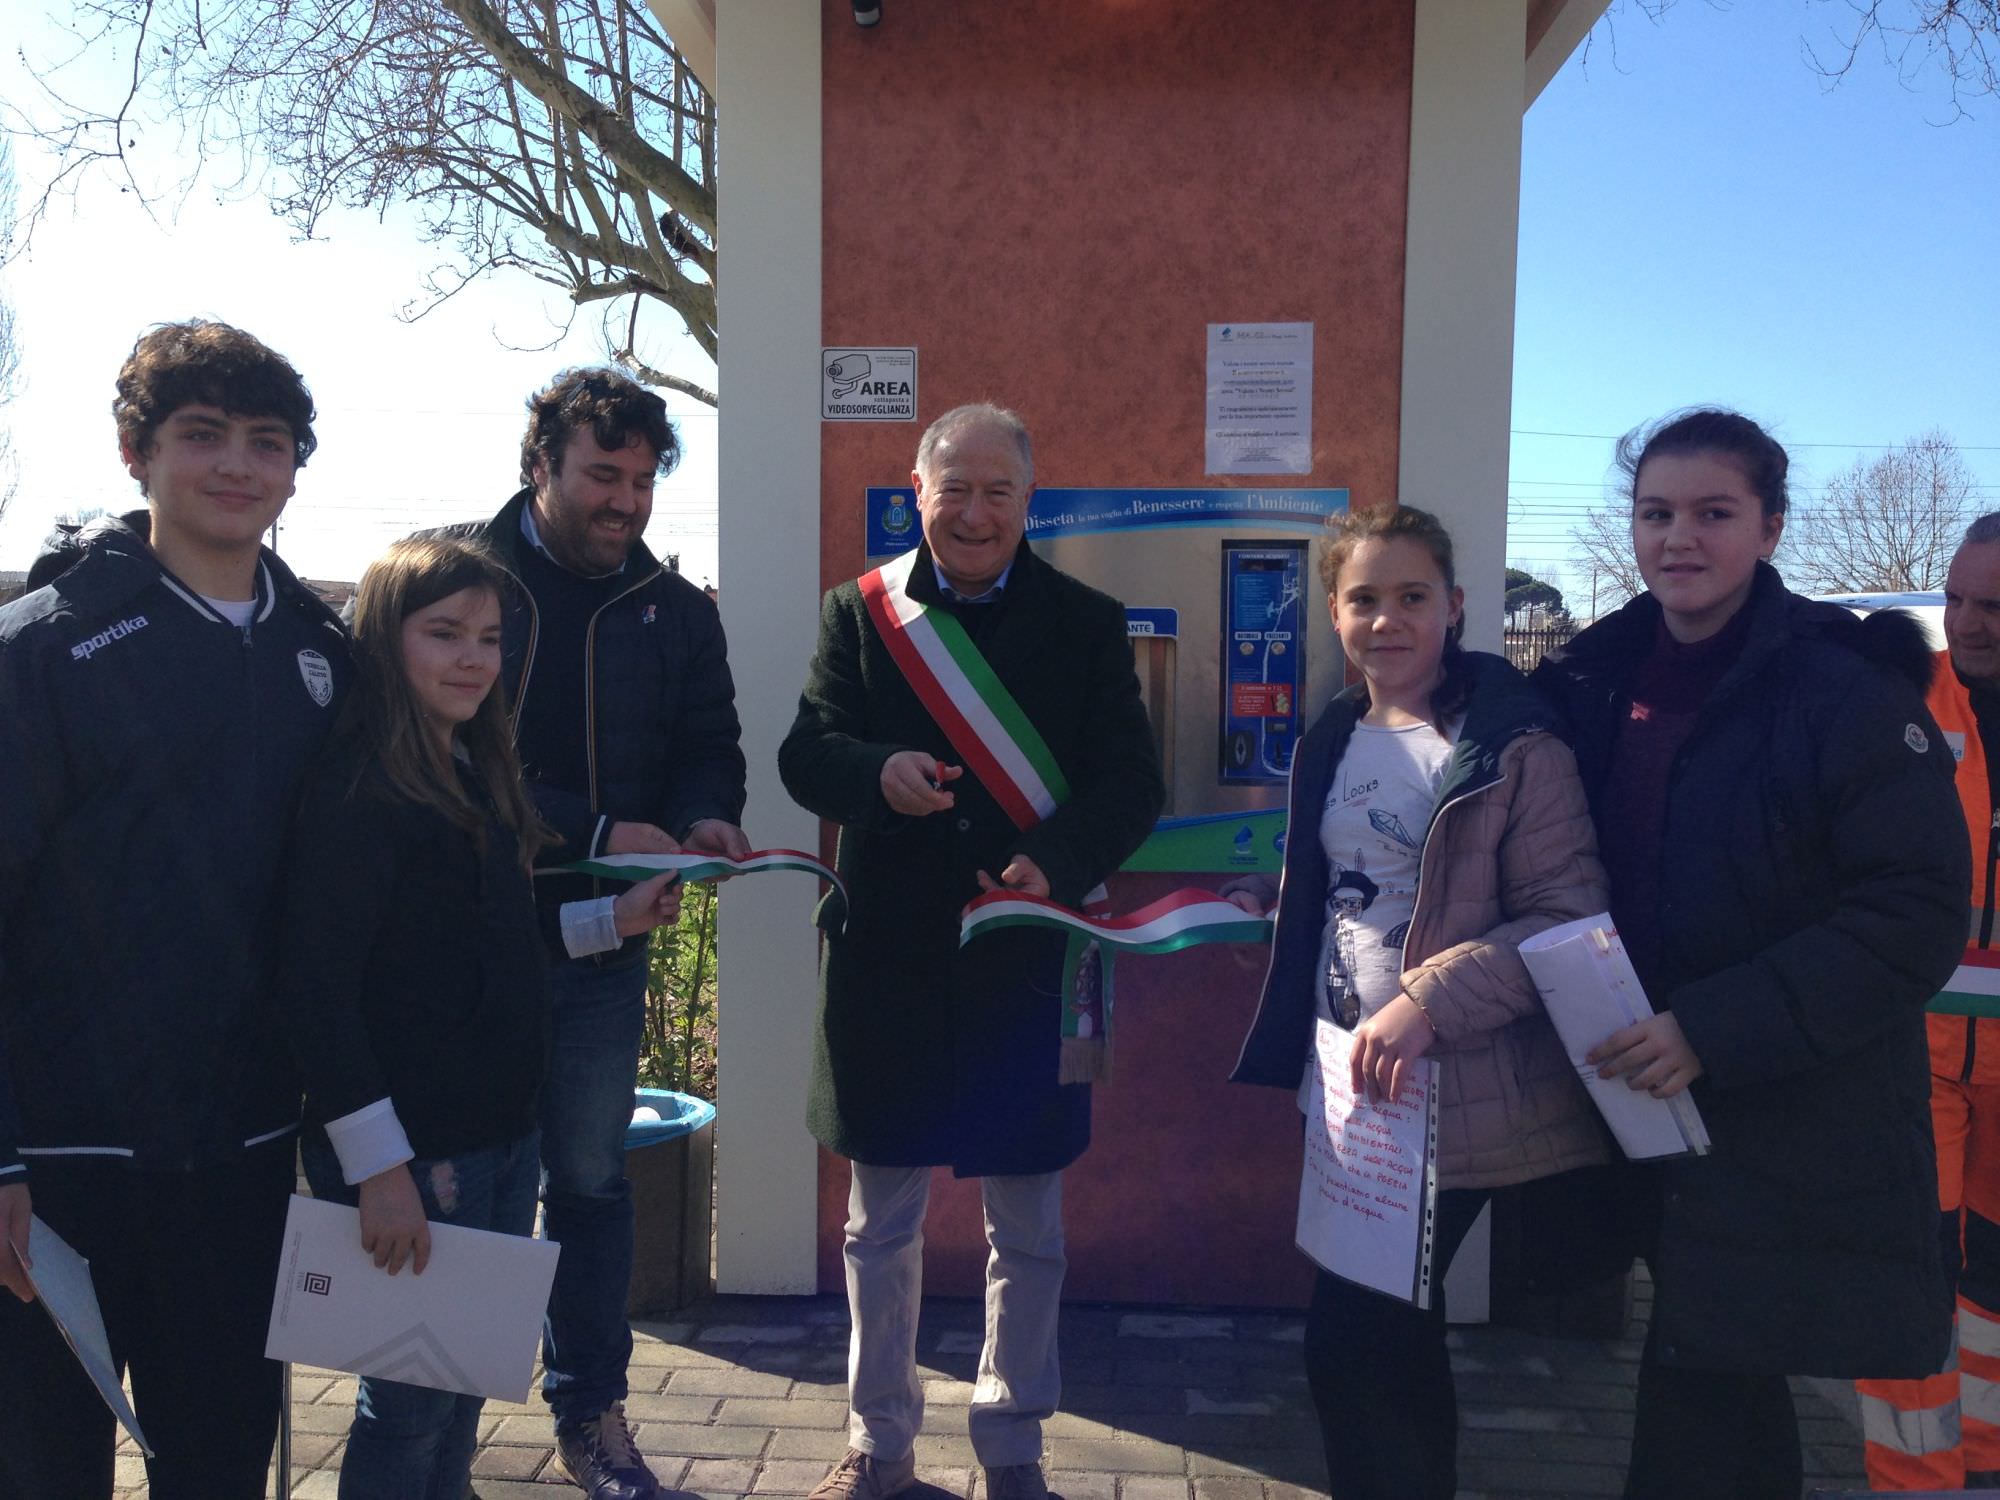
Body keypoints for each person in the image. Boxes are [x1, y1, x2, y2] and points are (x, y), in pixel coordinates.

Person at [1531, 408, 1969, 1499]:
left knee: (1710, 1378)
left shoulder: (1840, 693)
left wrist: (1712, 1031)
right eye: (1655, 513)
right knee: (1710, 1377)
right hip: (1622, 1085)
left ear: (1769, 529)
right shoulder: (1590, 681)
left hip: (1772, 1109)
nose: (1677, 538)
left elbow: (1912, 911)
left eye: (1711, 514)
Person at [778, 403, 1164, 1500]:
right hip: (887, 964)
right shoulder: (859, 615)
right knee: (877, 1227)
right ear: (918, 493)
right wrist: (873, 775)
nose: (976, 511)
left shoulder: (1086, 622)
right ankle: (880, 1444)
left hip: (1025, 958)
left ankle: (1012, 1447)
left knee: (1027, 1229)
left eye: (999, 491)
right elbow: (808, 752)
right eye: (956, 489)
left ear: (1028, 502)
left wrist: (1052, 857)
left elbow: (1129, 784)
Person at [0, 320, 350, 1499]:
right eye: (201, 435)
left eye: (268, 441)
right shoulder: (37, 657)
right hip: (57, 1170)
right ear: (133, 452)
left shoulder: (325, 659)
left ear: (297, 467)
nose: (238, 466)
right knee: (48, 1468)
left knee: (218, 1464)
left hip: (242, 1156)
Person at [280, 536, 681, 1500]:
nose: (472, 657)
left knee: (458, 1392)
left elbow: (492, 944)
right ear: (385, 639)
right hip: (417, 1158)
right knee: (410, 1404)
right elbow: (315, 992)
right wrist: (379, 1169)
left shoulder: (477, 769)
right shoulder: (359, 792)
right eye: (445, 633)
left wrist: (609, 922)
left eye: (491, 638)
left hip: (504, 1139)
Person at [1225, 504, 1610, 1500]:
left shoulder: (1513, 744)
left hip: (1454, 1094)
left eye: (1410, 598)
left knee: (1356, 1344)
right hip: (1354, 1091)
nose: (1385, 621)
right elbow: (1353, 888)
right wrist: (1271, 907)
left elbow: (1565, 917)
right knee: (1383, 1345)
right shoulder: (1334, 732)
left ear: (1456, 607)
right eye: (1362, 600)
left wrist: (1425, 1004)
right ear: (1332, 613)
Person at [438, 367, 747, 1499]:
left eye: (641, 479)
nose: (623, 501)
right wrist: (605, 823)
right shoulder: (455, 580)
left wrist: (712, 811)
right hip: (460, 953)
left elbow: (713, 740)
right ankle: (439, 1435)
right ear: (539, 468)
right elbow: (443, 755)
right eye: (599, 475)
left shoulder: (674, 605)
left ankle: (593, 1418)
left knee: (588, 1186)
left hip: (604, 943)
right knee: (469, 1197)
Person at [1856, 514, 2000, 1490]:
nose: (1963, 623)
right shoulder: (1905, 698)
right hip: (1909, 1043)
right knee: (1906, 1273)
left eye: (1988, 606)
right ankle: (1913, 1481)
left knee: (1991, 1274)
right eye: (1951, 599)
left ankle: (1984, 1461)